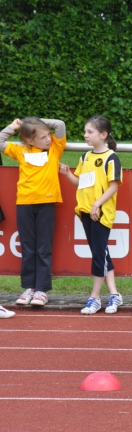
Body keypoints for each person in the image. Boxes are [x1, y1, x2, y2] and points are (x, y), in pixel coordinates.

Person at [60, 116, 124, 315]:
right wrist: (67, 173)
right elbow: (80, 183)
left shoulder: (111, 158)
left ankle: (94, 297)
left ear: (103, 135)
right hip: (86, 211)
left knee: (98, 255)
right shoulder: (85, 157)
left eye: (90, 132)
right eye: (85, 131)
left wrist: (97, 204)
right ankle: (114, 294)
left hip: (101, 212)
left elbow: (113, 186)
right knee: (101, 252)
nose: (85, 135)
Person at [1, 117, 67, 307]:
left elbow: (60, 125)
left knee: (43, 249)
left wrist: (36, 120)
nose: (48, 139)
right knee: (28, 249)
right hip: (24, 204)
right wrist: (14, 127)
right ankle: (29, 287)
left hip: (46, 205)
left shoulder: (54, 148)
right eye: (43, 137)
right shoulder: (20, 150)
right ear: (30, 140)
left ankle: (41, 290)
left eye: (48, 135)